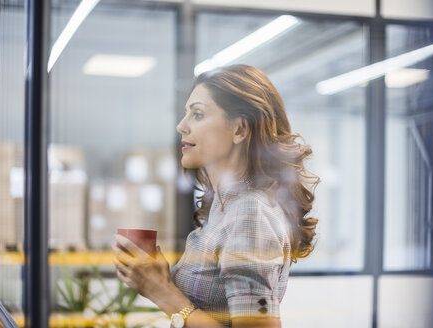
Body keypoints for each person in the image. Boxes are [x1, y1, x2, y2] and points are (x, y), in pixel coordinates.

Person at [112, 64, 319, 327]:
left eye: (197, 114)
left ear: (240, 130)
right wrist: (157, 277)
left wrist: (162, 291)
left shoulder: (248, 213)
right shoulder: (223, 206)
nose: (181, 126)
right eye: (186, 114)